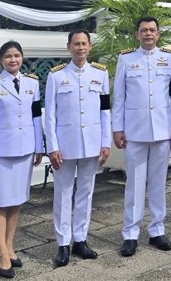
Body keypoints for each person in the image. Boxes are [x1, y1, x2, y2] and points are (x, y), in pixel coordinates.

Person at [113, 16, 171, 257]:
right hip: (135, 131)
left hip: (162, 130)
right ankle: (130, 233)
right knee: (134, 184)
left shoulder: (169, 59)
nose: (148, 34)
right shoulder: (126, 59)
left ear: (158, 34)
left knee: (158, 183)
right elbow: (119, 97)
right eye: (144, 30)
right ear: (137, 34)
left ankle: (157, 230)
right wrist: (117, 128)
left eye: (152, 30)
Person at [44, 30, 111, 267]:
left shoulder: (100, 74)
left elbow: (105, 110)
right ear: (69, 47)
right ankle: (63, 243)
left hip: (91, 143)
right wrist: (52, 146)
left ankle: (80, 240)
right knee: (63, 193)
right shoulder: (56, 76)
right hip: (65, 145)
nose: (80, 48)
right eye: (76, 44)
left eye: (84, 43)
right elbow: (50, 115)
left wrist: (105, 142)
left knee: (86, 192)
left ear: (90, 46)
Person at [0, 41, 44, 279]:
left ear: (22, 57)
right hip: (1, 154)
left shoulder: (32, 83)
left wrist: (39, 147)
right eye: (8, 56)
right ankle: (1, 253)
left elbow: (36, 116)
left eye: (17, 55)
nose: (13, 60)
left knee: (16, 201)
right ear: (1, 60)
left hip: (25, 150)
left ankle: (9, 247)